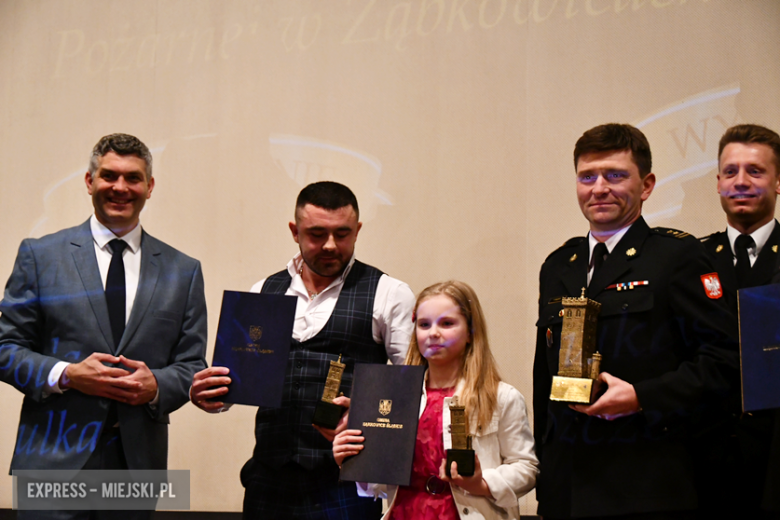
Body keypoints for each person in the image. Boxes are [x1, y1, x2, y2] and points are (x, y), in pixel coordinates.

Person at [533, 123, 739, 519]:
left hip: (646, 482)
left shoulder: (678, 258)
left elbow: (724, 361)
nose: (599, 188)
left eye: (615, 175)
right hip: (568, 485)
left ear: (646, 185)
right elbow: (545, 379)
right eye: (587, 176)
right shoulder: (560, 266)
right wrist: (547, 475)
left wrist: (642, 397)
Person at [0, 133, 208, 519]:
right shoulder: (40, 255)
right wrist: (67, 374)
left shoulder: (184, 271)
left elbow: (192, 365)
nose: (120, 188)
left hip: (136, 468)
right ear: (89, 181)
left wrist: (157, 386)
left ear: (149, 187)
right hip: (50, 462)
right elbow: (6, 348)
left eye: (133, 178)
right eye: (109, 176)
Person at [190, 181, 415, 519]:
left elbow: (414, 393)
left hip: (348, 482)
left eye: (342, 234)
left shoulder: (390, 293)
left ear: (358, 230)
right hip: (269, 477)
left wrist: (368, 416)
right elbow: (242, 380)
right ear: (295, 231)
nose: (330, 245)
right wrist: (213, 394)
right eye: (316, 233)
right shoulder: (265, 290)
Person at [333, 280, 538, 520]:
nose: (433, 333)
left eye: (447, 323)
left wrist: (481, 483)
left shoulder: (501, 397)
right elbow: (377, 484)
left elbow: (526, 468)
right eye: (424, 324)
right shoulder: (396, 397)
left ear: (471, 332)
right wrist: (352, 460)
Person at [696, 124, 780, 519]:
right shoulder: (690, 262)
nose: (741, 182)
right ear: (717, 183)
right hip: (705, 463)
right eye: (730, 172)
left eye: (755, 171)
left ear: (779, 181)